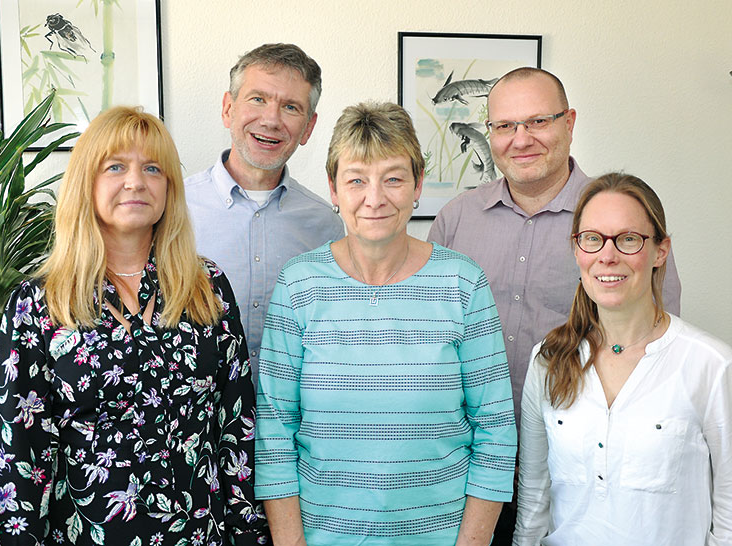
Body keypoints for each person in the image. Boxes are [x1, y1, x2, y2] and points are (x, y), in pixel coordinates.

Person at [0, 106, 270, 545]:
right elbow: (19, 456)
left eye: (152, 168)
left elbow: (238, 431)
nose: (135, 181)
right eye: (115, 166)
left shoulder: (206, 286)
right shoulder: (41, 302)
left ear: (168, 189)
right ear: (87, 182)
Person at [427, 67, 681, 543]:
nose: (520, 139)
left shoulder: (615, 218)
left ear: (570, 122)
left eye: (538, 121)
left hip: (582, 466)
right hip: (466, 464)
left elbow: (660, 350)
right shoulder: (455, 221)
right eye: (504, 126)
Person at [254, 102, 516, 545]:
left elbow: (494, 427)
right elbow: (275, 429)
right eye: (356, 179)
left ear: (417, 186)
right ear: (334, 190)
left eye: (393, 178)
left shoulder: (462, 282)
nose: (374, 198)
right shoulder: (299, 284)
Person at [513, 173, 732, 545]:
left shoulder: (711, 365)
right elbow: (534, 502)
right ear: (577, 249)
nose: (608, 255)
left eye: (629, 239)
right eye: (592, 239)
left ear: (660, 251)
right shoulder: (548, 360)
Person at [185, 43, 345, 388]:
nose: (271, 120)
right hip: (199, 428)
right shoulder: (173, 209)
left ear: (308, 128)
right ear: (228, 109)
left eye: (290, 107)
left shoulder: (325, 225)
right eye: (257, 99)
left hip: (291, 425)